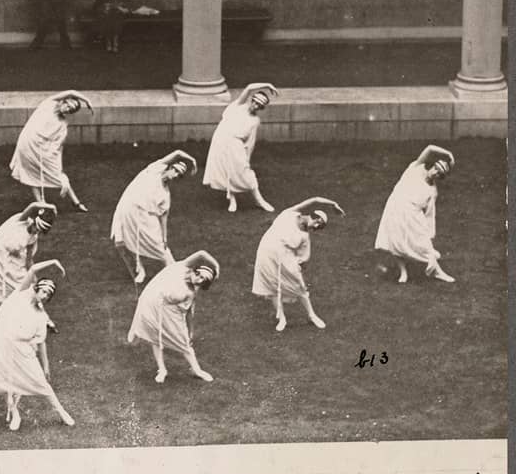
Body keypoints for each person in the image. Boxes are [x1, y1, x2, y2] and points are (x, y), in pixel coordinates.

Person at [0, 259, 74, 431]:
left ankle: (61, 412)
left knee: (42, 384)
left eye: (47, 295)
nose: (44, 296)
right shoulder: (20, 294)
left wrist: (46, 366)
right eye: (43, 291)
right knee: (7, 381)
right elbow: (32, 269)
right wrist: (53, 261)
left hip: (23, 351)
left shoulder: (40, 316)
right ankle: (14, 413)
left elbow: (41, 342)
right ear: (36, 289)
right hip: (4, 344)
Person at [252, 197, 345, 332]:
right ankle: (282, 318)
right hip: (266, 252)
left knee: (300, 286)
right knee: (271, 285)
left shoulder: (304, 236)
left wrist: (299, 265)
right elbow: (315, 199)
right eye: (317, 224)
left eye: (318, 228)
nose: (314, 228)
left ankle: (312, 315)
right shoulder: (289, 213)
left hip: (285, 257)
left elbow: (304, 257)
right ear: (315, 218)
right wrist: (333, 203)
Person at [127, 250, 220, 384]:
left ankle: (197, 370)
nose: (198, 279)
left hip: (171, 313)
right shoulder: (182, 267)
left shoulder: (191, 292)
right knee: (155, 337)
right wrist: (216, 267)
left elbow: (188, 312)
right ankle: (162, 369)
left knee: (184, 343)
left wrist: (190, 330)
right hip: (152, 304)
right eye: (198, 274)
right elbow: (201, 254)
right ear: (194, 270)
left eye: (202, 280)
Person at [111, 149, 198, 284]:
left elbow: (164, 217)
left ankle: (177, 272)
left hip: (145, 218)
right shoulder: (154, 170)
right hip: (127, 208)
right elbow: (177, 153)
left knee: (161, 248)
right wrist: (192, 160)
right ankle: (139, 269)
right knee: (120, 243)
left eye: (179, 175)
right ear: (169, 167)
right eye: (175, 171)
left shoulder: (165, 195)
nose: (175, 175)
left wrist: (164, 237)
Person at [375, 145, 457, 284]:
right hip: (395, 208)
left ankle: (437, 272)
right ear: (432, 166)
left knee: (425, 245)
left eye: (440, 174)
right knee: (396, 243)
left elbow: (430, 213)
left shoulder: (432, 191)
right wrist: (449, 154)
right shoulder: (416, 168)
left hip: (413, 215)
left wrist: (428, 232)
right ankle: (403, 272)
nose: (436, 172)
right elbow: (430, 148)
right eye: (436, 168)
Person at [10, 90, 93, 211]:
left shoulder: (63, 124)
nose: (67, 109)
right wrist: (87, 100)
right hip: (27, 144)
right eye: (68, 105)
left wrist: (59, 167)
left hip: (42, 148)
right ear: (63, 102)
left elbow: (58, 147)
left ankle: (76, 203)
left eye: (71, 110)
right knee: (31, 174)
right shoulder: (49, 104)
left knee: (59, 176)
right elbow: (71, 91)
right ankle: (41, 204)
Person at [202, 82, 279, 213]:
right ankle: (232, 199)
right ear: (251, 100)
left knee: (245, 171)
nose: (255, 106)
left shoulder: (255, 121)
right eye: (255, 102)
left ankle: (259, 200)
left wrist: (247, 157)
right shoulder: (239, 105)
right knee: (227, 171)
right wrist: (268, 85)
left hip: (236, 144)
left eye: (259, 106)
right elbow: (249, 88)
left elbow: (250, 142)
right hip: (221, 140)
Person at [0, 202, 57, 306]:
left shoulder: (33, 238)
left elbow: (28, 260)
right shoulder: (21, 221)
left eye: (39, 231)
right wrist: (51, 207)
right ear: (34, 223)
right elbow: (33, 206)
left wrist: (33, 277)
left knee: (20, 280)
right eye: (36, 228)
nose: (36, 231)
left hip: (12, 257)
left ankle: (15, 301)